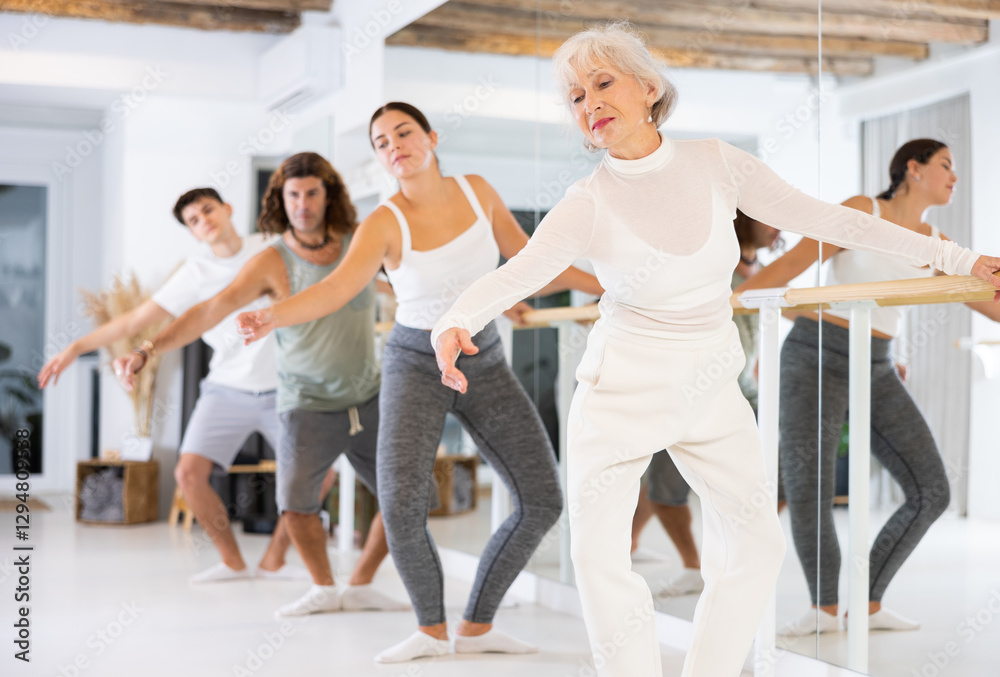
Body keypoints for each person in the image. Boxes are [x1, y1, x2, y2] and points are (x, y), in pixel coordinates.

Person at [429, 23, 1000, 677]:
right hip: (620, 393)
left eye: (603, 83)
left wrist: (955, 255)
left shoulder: (716, 164)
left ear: (648, 88)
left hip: (708, 385)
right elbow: (518, 271)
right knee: (597, 556)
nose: (589, 103)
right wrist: (455, 318)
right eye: (575, 97)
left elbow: (831, 219)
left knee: (756, 544)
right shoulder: (586, 201)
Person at [236, 101, 603, 663]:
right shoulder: (385, 221)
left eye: (403, 132)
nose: (394, 146)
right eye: (381, 142)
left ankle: (476, 626)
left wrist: (611, 286)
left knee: (542, 498)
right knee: (403, 505)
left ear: (430, 137)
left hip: (484, 358)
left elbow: (527, 259)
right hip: (415, 363)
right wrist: (271, 315)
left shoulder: (477, 190)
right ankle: (430, 631)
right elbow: (337, 288)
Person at [116, 153, 406, 617]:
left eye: (312, 192)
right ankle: (322, 588)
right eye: (293, 194)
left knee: (404, 498)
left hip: (367, 396)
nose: (303, 203)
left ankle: (361, 584)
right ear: (279, 200)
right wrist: (148, 350)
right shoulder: (271, 260)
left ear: (328, 196)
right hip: (305, 399)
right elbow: (210, 310)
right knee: (295, 503)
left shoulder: (358, 243)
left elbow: (402, 281)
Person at [737, 138, 1000, 636]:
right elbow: (785, 274)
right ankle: (825, 609)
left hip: (877, 364)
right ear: (912, 169)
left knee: (931, 491)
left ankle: (868, 604)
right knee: (808, 486)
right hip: (815, 355)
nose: (954, 177)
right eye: (946, 165)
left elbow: (989, 302)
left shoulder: (936, 242)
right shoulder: (863, 210)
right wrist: (745, 294)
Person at [38, 187, 307, 584]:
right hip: (226, 388)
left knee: (319, 476)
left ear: (228, 209)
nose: (205, 221)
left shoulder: (271, 245)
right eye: (194, 221)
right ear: (193, 234)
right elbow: (134, 321)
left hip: (287, 387)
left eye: (208, 210)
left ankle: (274, 560)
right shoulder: (195, 274)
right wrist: (77, 347)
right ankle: (232, 561)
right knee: (188, 474)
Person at [630, 211, 781, 599]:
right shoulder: (711, 264)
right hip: (691, 389)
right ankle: (694, 567)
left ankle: (736, 555)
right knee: (664, 485)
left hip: (741, 386)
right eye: (768, 219)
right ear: (744, 222)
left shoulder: (762, 269)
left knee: (781, 476)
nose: (777, 227)